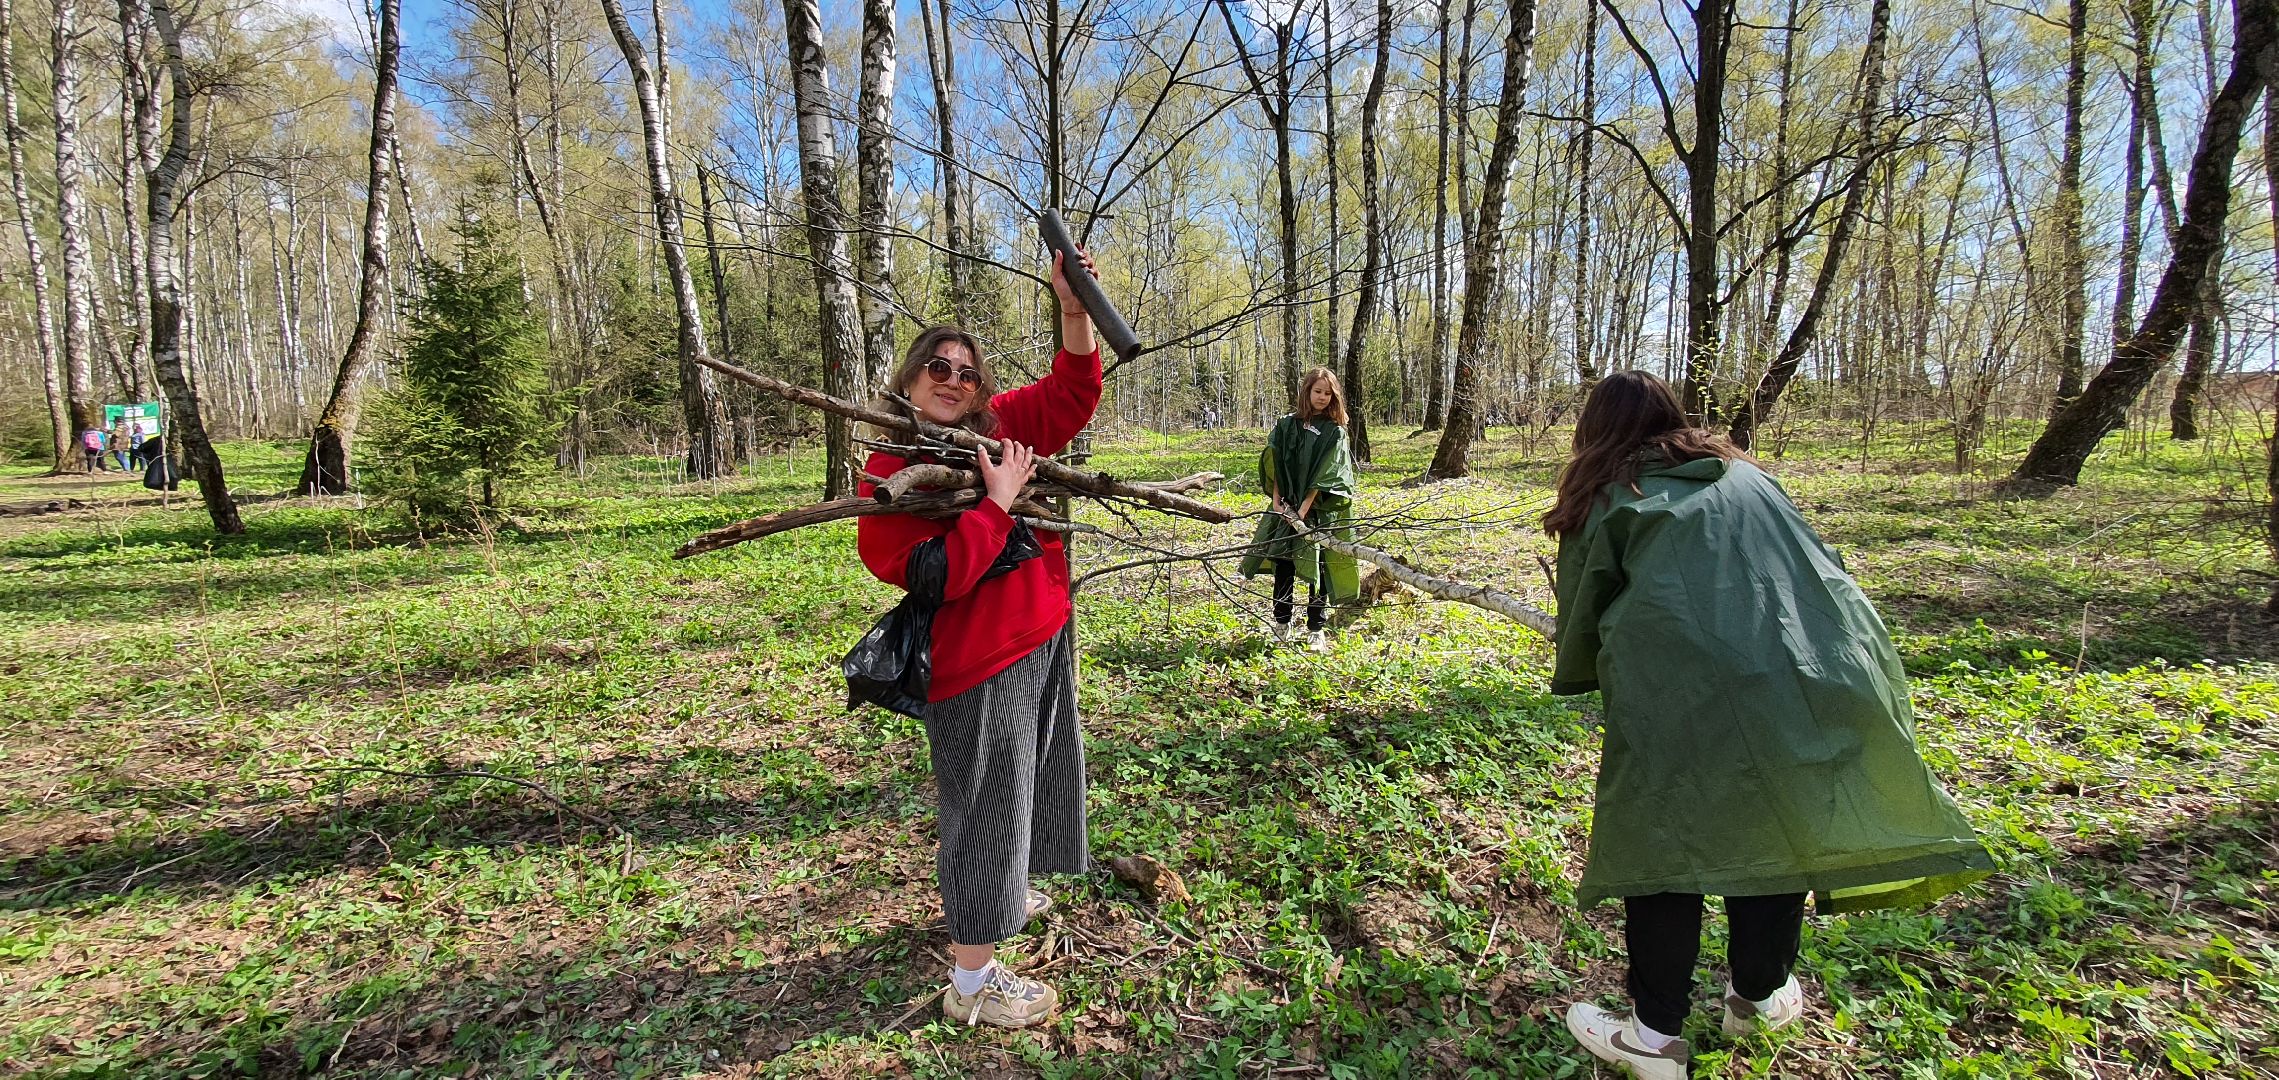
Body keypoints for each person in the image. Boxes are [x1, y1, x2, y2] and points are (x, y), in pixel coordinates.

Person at [1546, 371, 1993, 1078]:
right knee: (1771, 823)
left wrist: (1582, 666)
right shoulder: (1747, 476)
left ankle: (1653, 1038)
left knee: (1664, 840)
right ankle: (1756, 996)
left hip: (1681, 688)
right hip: (1809, 667)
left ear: (1594, 429)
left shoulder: (1609, 492)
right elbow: (1819, 565)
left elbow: (1580, 614)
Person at [855, 249, 1102, 1030]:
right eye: (936, 365)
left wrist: (1072, 306)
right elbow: (927, 573)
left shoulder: (1000, 428)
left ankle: (1003, 890)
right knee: (984, 806)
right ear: (908, 378)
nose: (953, 378)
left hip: (1039, 639)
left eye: (966, 370)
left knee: (1029, 782)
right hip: (975, 666)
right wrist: (995, 506)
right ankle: (973, 982)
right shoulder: (891, 470)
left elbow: (1072, 392)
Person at [1238, 367, 1360, 651]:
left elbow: (1329, 472)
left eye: (1328, 393)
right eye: (1317, 391)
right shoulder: (1287, 426)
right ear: (1306, 391)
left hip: (1317, 511)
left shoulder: (1334, 432)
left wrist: (1304, 509)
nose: (1322, 397)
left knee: (1318, 568)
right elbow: (1276, 462)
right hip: (1286, 508)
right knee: (1284, 564)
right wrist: (1278, 501)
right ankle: (1282, 623)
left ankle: (1316, 628)